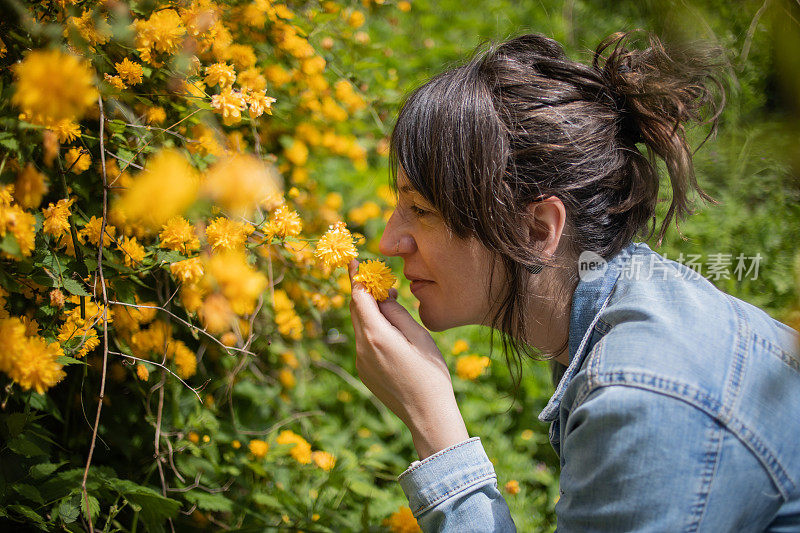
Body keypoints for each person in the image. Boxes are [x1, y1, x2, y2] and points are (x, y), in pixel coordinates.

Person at [347, 30, 800, 532]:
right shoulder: (623, 314)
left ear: (537, 229)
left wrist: (433, 425)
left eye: (420, 209)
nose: (389, 241)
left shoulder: (645, 401)